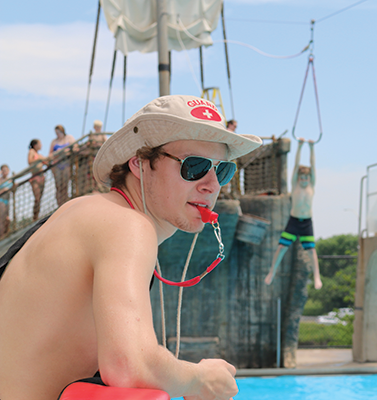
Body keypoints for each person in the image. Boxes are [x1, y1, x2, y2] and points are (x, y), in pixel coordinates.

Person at [0, 95, 262, 399]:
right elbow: (128, 365)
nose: (212, 184)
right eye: (195, 166)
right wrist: (199, 379)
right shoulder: (126, 225)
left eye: (223, 170)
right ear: (139, 163)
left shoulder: (80, 211)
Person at [264, 138, 322, 290]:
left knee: (311, 251)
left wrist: (311, 148)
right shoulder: (295, 185)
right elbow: (296, 166)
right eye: (301, 178)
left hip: (307, 222)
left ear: (309, 179)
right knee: (281, 248)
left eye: (305, 178)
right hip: (294, 221)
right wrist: (300, 147)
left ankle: (316, 276)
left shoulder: (311, 186)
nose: (303, 180)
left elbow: (313, 165)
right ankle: (272, 271)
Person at [48, 124, 76, 207]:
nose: (57, 134)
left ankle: (65, 203)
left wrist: (67, 151)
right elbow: (50, 155)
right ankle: (59, 204)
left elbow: (75, 147)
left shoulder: (69, 138)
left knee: (65, 185)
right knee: (58, 186)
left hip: (66, 164)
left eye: (59, 132)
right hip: (57, 166)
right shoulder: (54, 141)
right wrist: (57, 153)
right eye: (56, 132)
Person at [28, 139, 48, 221]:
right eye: (40, 144)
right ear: (35, 145)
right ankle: (34, 217)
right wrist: (39, 159)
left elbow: (46, 160)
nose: (41, 145)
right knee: (37, 198)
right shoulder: (32, 151)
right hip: (35, 177)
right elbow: (30, 161)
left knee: (40, 198)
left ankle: (37, 216)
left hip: (41, 176)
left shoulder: (39, 154)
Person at [0, 164, 12, 237]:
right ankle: (1, 237)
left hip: (7, 202)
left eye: (6, 170)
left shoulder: (10, 180)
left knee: (7, 220)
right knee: (1, 220)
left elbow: (13, 190)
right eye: (3, 170)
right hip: (1, 201)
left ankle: (4, 235)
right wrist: (3, 190)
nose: (5, 172)